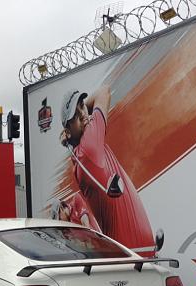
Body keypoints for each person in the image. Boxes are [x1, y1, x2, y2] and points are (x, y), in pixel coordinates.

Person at [59, 87, 156, 256]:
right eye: (74, 116)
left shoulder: (80, 157)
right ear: (68, 130)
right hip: (135, 252)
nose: (82, 114)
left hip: (128, 251)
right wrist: (85, 112)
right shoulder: (89, 145)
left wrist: (75, 123)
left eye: (82, 106)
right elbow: (103, 92)